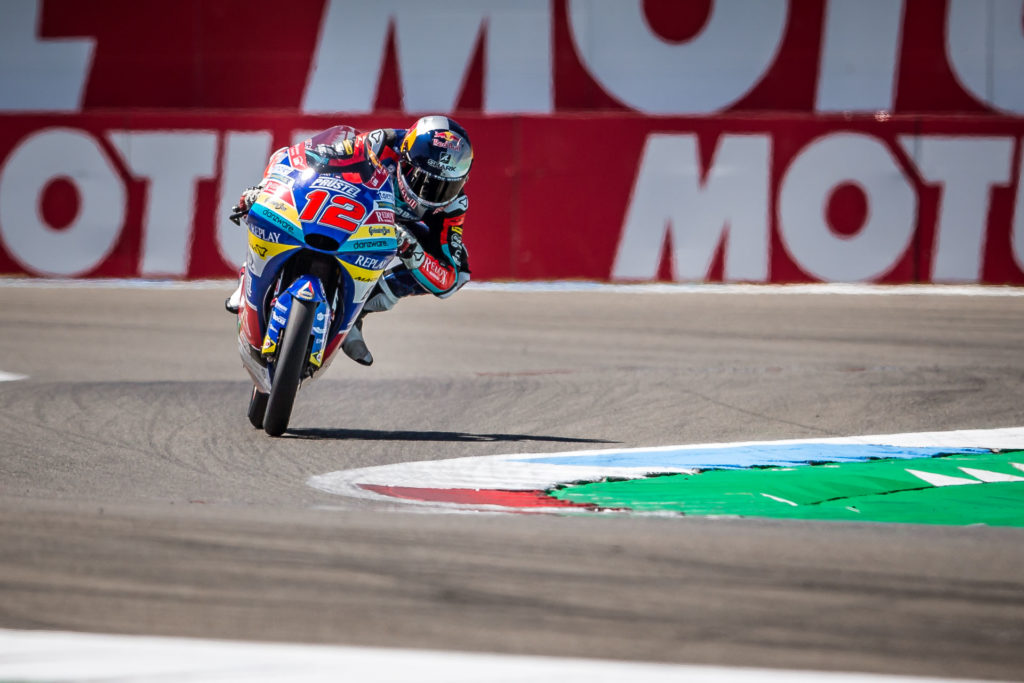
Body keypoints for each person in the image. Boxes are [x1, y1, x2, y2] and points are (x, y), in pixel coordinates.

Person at [226, 115, 473, 366]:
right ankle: (251, 274)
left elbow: (449, 277)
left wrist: (413, 251)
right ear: (404, 158)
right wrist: (267, 189)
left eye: (446, 187)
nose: (431, 194)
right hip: (359, 204)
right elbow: (307, 158)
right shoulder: (380, 143)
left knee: (461, 273)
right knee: (281, 158)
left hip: (400, 229)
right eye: (422, 179)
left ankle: (359, 310)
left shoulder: (454, 205)